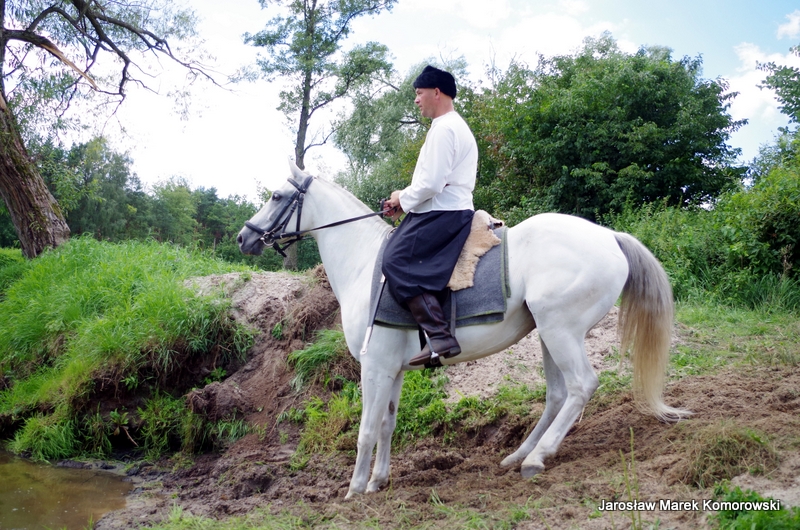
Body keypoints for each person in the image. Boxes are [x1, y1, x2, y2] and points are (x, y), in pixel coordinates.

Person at [381, 65, 478, 367]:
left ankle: (439, 336)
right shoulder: (453, 126)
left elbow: (433, 183)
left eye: (419, 93)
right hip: (446, 208)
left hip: (443, 212)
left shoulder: (444, 129)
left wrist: (402, 197)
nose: (416, 100)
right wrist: (404, 203)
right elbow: (435, 182)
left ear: (436, 92)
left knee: (394, 260)